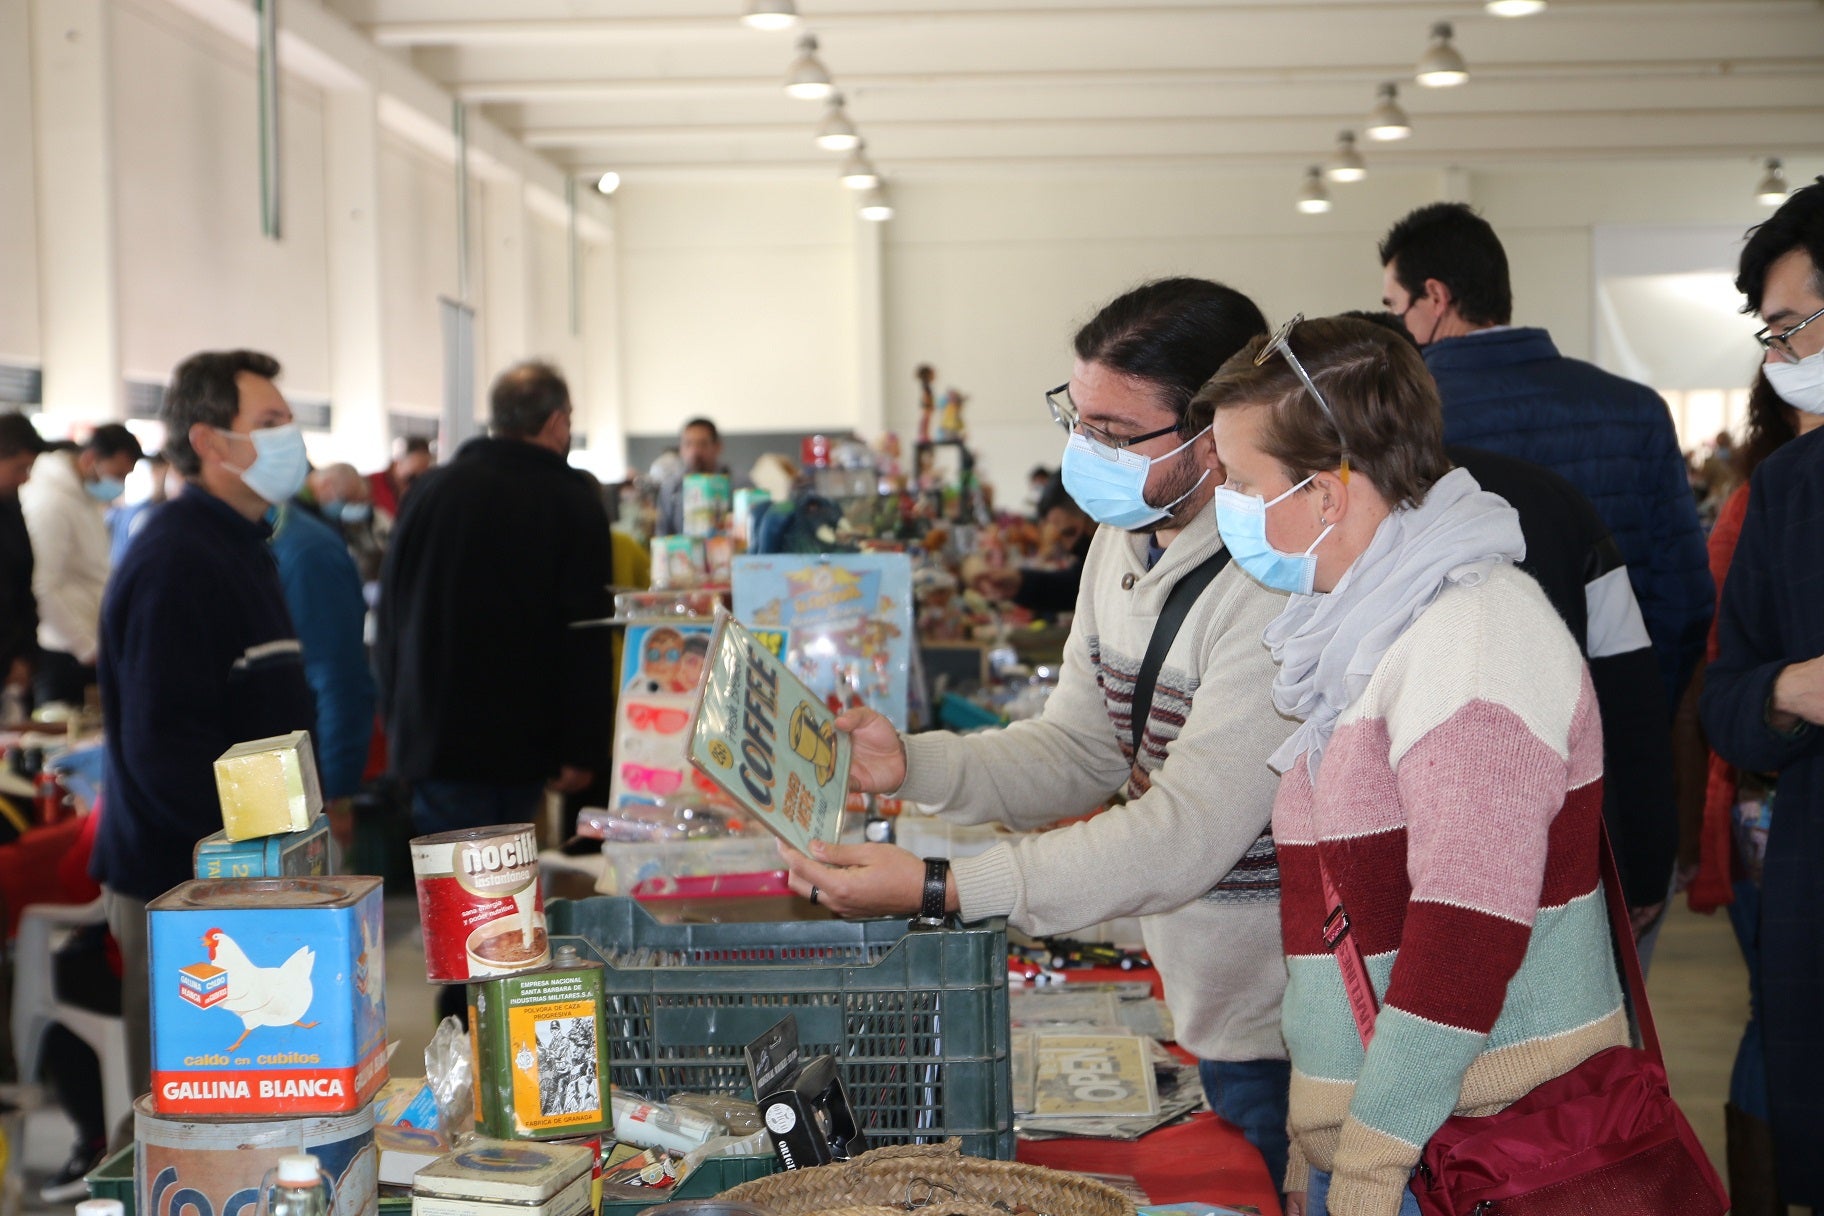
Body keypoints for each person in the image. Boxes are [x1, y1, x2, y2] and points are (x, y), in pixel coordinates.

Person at [779, 278, 1299, 1190]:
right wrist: (914, 764)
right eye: (1075, 417)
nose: (1082, 451)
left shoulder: (1271, 584)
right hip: (1185, 989)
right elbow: (1078, 749)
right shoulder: (1122, 539)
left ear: (1212, 434)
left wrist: (945, 886)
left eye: (1113, 432)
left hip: (1278, 1020)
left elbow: (1181, 835)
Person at [1194, 315, 1628, 1216]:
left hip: (1467, 1148)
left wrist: (1368, 1162)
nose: (1225, 506)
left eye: (1241, 483)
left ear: (1326, 494)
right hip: (1391, 1139)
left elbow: (1466, 934)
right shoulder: (1364, 631)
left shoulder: (1475, 640)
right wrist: (1317, 1139)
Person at [1343, 311, 1676, 939]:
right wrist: (1646, 861)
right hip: (1558, 859)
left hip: (1392, 882)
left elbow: (1628, 689)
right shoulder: (1553, 500)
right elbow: (1630, 695)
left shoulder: (1309, 537)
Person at [1377, 203, 1713, 715]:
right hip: (1617, 720)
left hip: (1464, 727)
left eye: (1396, 307)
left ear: (1436, 297)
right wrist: (1634, 708)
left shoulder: (1402, 421)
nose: (1399, 326)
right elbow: (1685, 596)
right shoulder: (1636, 408)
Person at [90, 349, 318, 1105]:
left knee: (250, 1099)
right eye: (270, 423)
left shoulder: (241, 546)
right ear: (210, 442)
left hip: (247, 875)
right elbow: (163, 749)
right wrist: (236, 863)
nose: (291, 439)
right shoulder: (176, 559)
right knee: (187, 1100)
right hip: (185, 888)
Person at [1700, 177, 1824, 1209]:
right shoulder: (1789, 489)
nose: (1778, 360)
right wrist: (1791, 687)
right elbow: (1727, 700)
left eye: (1791, 329)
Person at [376, 360, 613, 836]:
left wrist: (397, 726)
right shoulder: (570, 500)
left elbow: (391, 614)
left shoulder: (431, 490)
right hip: (518, 743)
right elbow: (584, 633)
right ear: (556, 422)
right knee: (503, 890)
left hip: (432, 735)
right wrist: (582, 747)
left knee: (451, 888)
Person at [269, 494, 376, 843]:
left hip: (299, 788)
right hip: (273, 783)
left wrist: (337, 793)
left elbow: (338, 679)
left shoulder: (306, 552)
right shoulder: (256, 541)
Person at [20, 425, 145, 708]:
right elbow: (42, 586)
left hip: (88, 646)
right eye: (117, 475)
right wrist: (85, 646)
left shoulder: (84, 498)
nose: (119, 484)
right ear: (90, 459)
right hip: (64, 652)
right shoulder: (52, 502)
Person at [0, 412, 47, 717]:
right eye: (20, 468)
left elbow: (22, 585)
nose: (25, 478)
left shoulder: (10, 505)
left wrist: (24, 655)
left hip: (15, 660)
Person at [655, 417, 746, 536]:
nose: (695, 451)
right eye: (688, 444)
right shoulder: (671, 488)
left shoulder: (740, 484)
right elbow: (662, 534)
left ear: (717, 447)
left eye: (703, 444)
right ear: (681, 449)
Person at [367, 435, 432, 523]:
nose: (420, 478)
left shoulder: (423, 491)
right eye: (413, 476)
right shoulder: (370, 484)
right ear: (397, 463)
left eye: (425, 472)